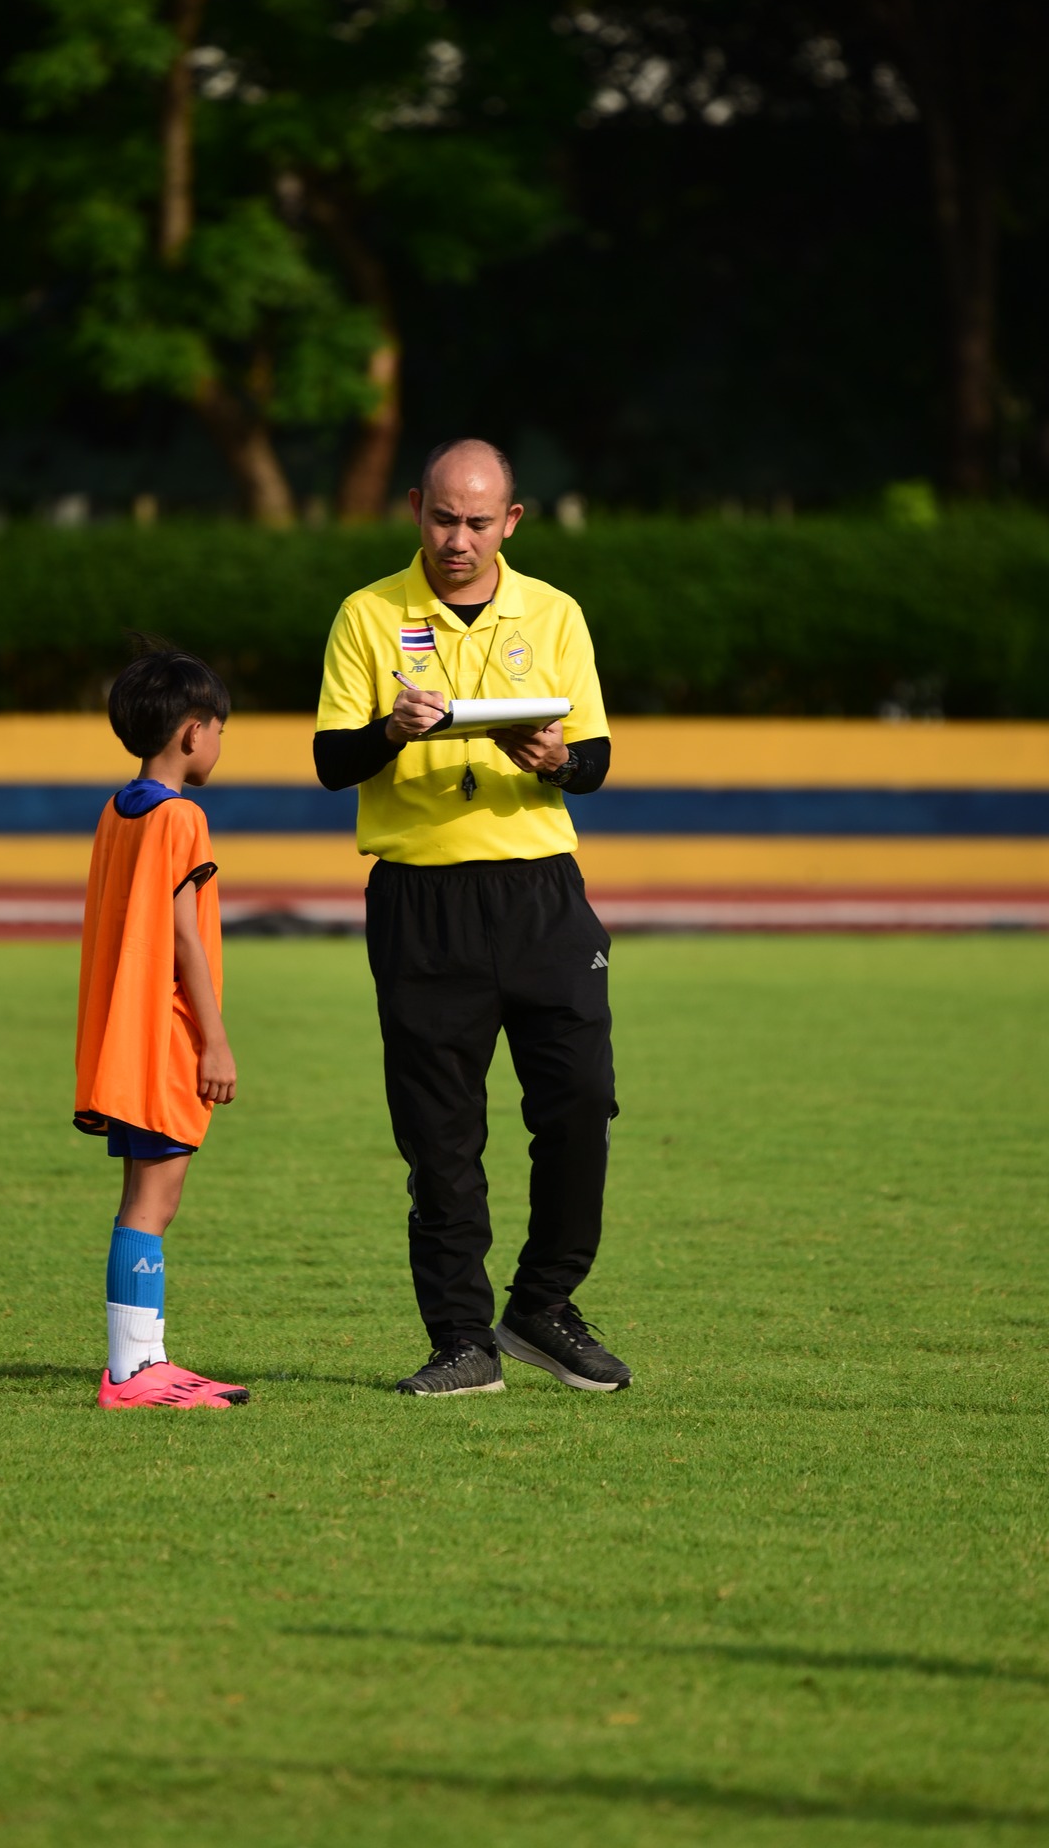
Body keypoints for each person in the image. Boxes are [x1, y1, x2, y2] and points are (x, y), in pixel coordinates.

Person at [314, 438, 632, 1397]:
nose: (458, 540)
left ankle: (542, 1306)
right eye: (444, 518)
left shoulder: (555, 612)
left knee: (580, 1103)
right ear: (416, 507)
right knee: (440, 1136)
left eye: (478, 522)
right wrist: (389, 731)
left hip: (541, 894)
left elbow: (594, 759)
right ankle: (461, 1340)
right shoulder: (367, 614)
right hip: (421, 899)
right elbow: (331, 761)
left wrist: (556, 761)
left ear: (511, 522)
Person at [75, 646, 249, 1411]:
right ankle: (131, 1372)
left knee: (140, 1199)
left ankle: (143, 1359)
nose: (218, 744)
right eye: (218, 730)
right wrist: (215, 1040)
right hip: (164, 1036)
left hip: (124, 1034)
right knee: (155, 1203)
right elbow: (183, 936)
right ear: (191, 731)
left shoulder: (120, 809)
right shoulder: (181, 817)